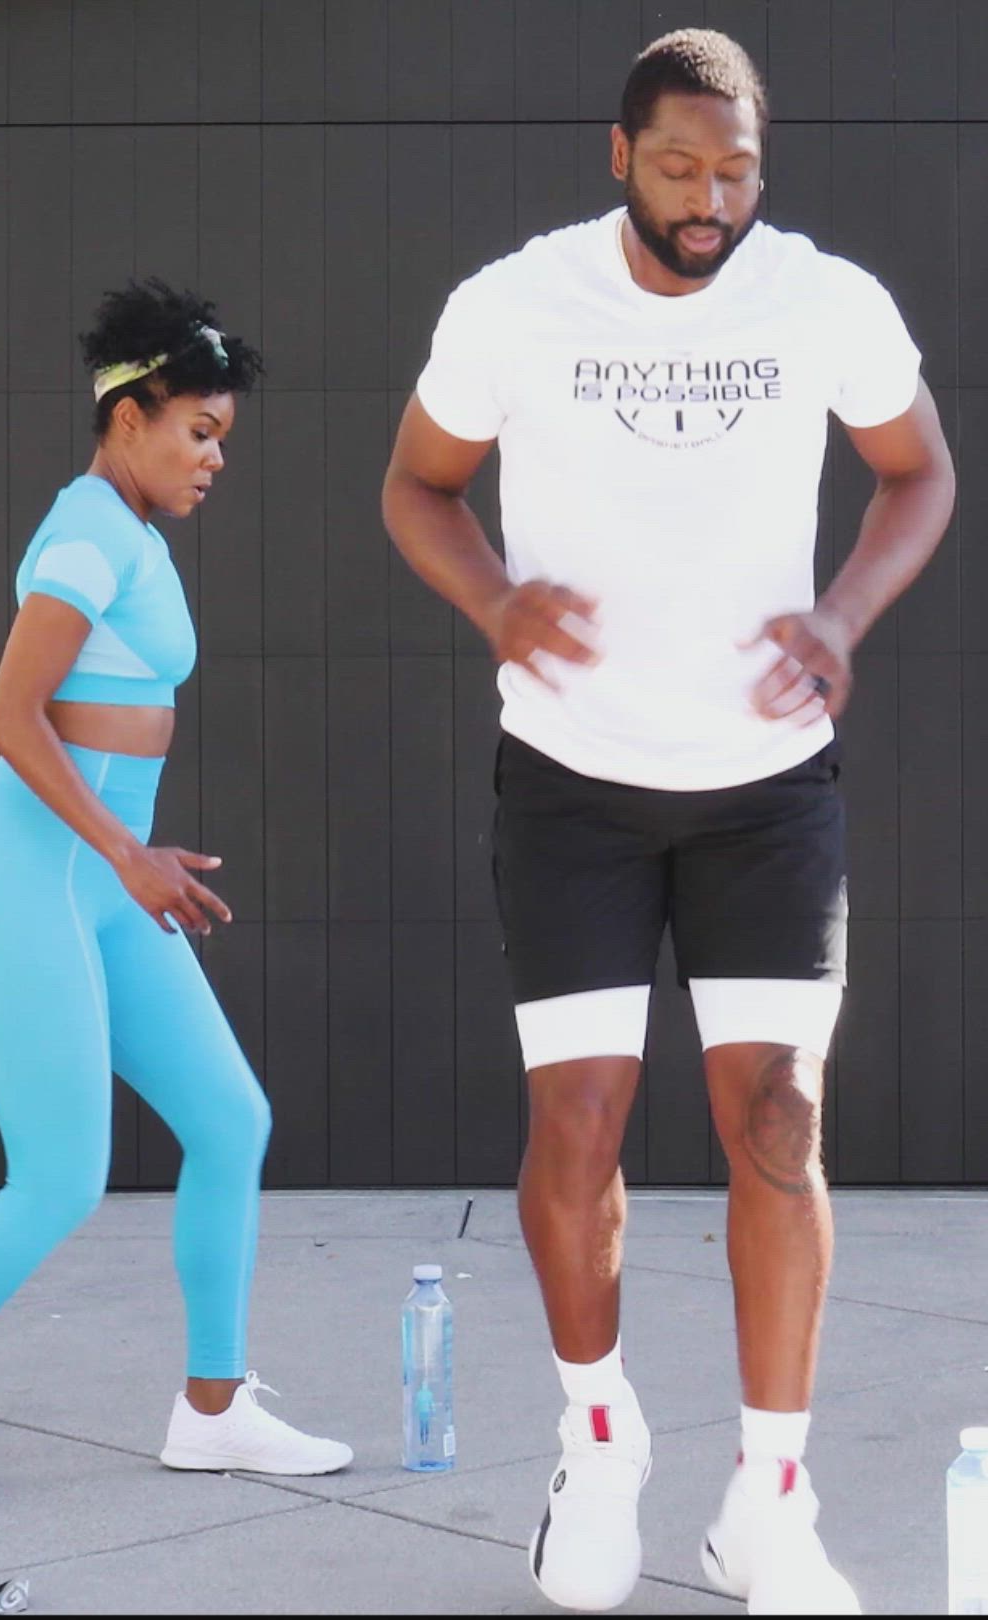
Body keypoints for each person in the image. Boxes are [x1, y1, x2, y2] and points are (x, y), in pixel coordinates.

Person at [383, 27, 955, 1617]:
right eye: (686, 167)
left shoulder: (825, 301)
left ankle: (770, 1502)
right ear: (620, 154)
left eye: (741, 169)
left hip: (767, 784)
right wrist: (496, 602)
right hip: (573, 781)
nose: (714, 201)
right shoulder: (513, 305)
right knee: (574, 1130)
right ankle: (601, 1440)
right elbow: (415, 485)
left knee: (779, 1118)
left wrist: (842, 617)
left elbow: (918, 474)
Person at [0, 277, 353, 1511]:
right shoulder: (89, 530)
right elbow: (7, 715)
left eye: (223, 439)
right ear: (129, 413)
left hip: (101, 885)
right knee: (58, 1176)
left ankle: (214, 1413)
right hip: (27, 878)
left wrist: (125, 865)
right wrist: (123, 850)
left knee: (229, 1123)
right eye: (198, 432)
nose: (215, 458)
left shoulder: (134, 536)